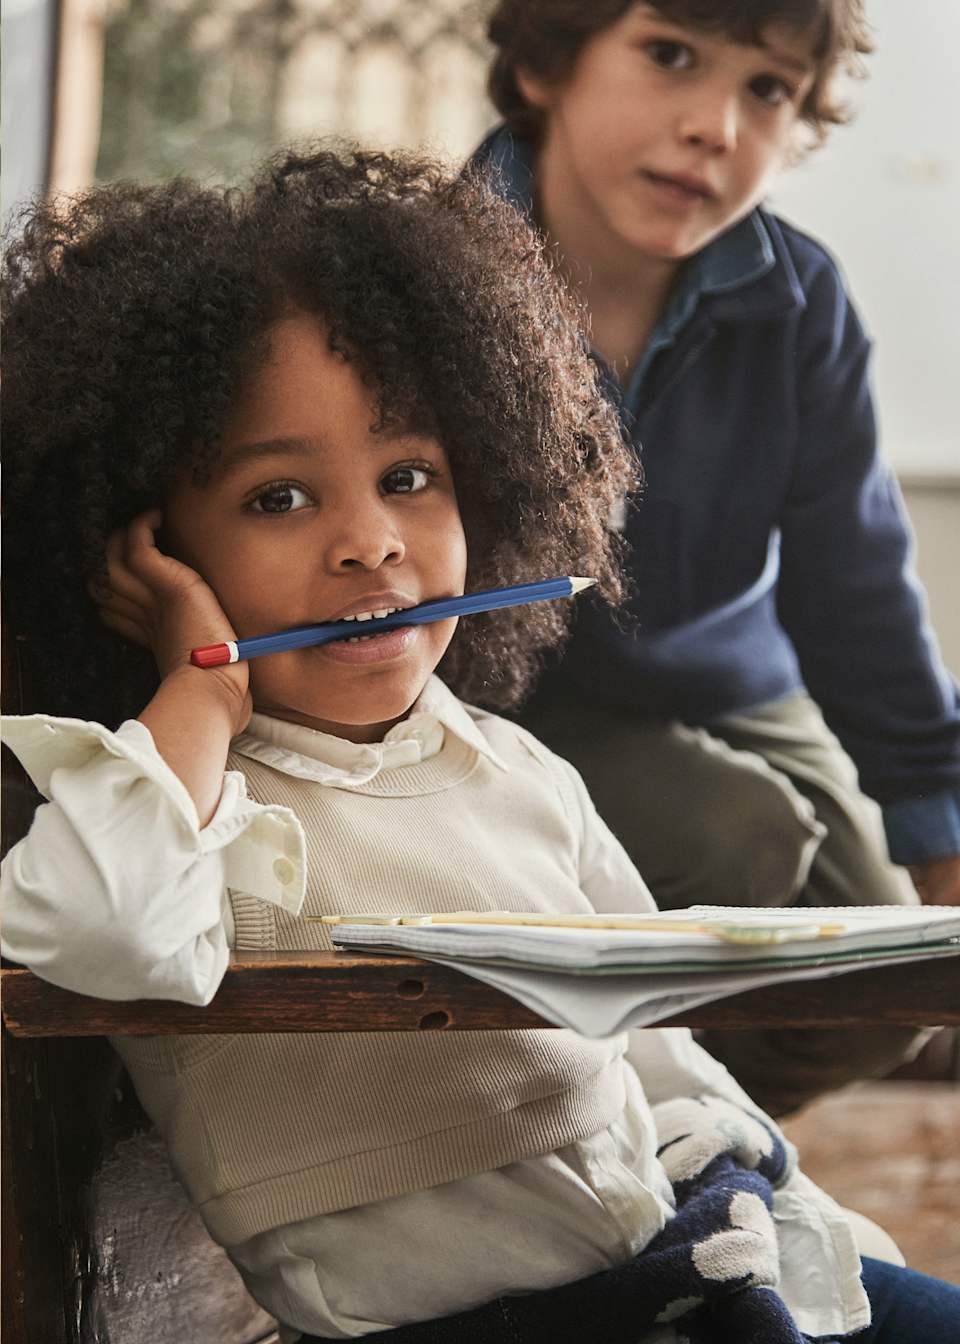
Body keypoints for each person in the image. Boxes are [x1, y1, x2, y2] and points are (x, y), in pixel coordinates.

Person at [3, 146, 958, 1341]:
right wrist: (197, 694)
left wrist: (807, 1220)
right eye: (277, 498)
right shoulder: (177, 801)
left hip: (699, 1256)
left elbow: (665, 1059)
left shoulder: (516, 769)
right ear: (138, 549)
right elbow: (93, 930)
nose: (369, 542)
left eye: (410, 475)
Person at [478, 0, 960, 1116]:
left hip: (730, 667)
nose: (716, 126)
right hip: (516, 695)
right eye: (670, 57)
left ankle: (679, 1128)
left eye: (768, 90)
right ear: (549, 62)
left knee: (890, 971)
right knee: (739, 840)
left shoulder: (799, 301)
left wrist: (937, 822)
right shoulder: (433, 270)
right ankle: (581, 1140)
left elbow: (856, 581)